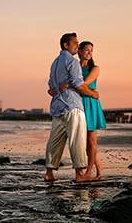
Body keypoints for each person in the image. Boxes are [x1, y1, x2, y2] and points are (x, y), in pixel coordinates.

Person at [44, 33, 100, 183]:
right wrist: (93, 94)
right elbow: (79, 85)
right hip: (73, 106)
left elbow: (50, 88)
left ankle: (49, 172)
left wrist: (59, 90)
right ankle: (80, 174)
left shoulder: (55, 63)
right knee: (77, 141)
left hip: (57, 107)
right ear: (65, 45)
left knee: (54, 141)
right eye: (75, 43)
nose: (77, 45)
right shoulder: (73, 62)